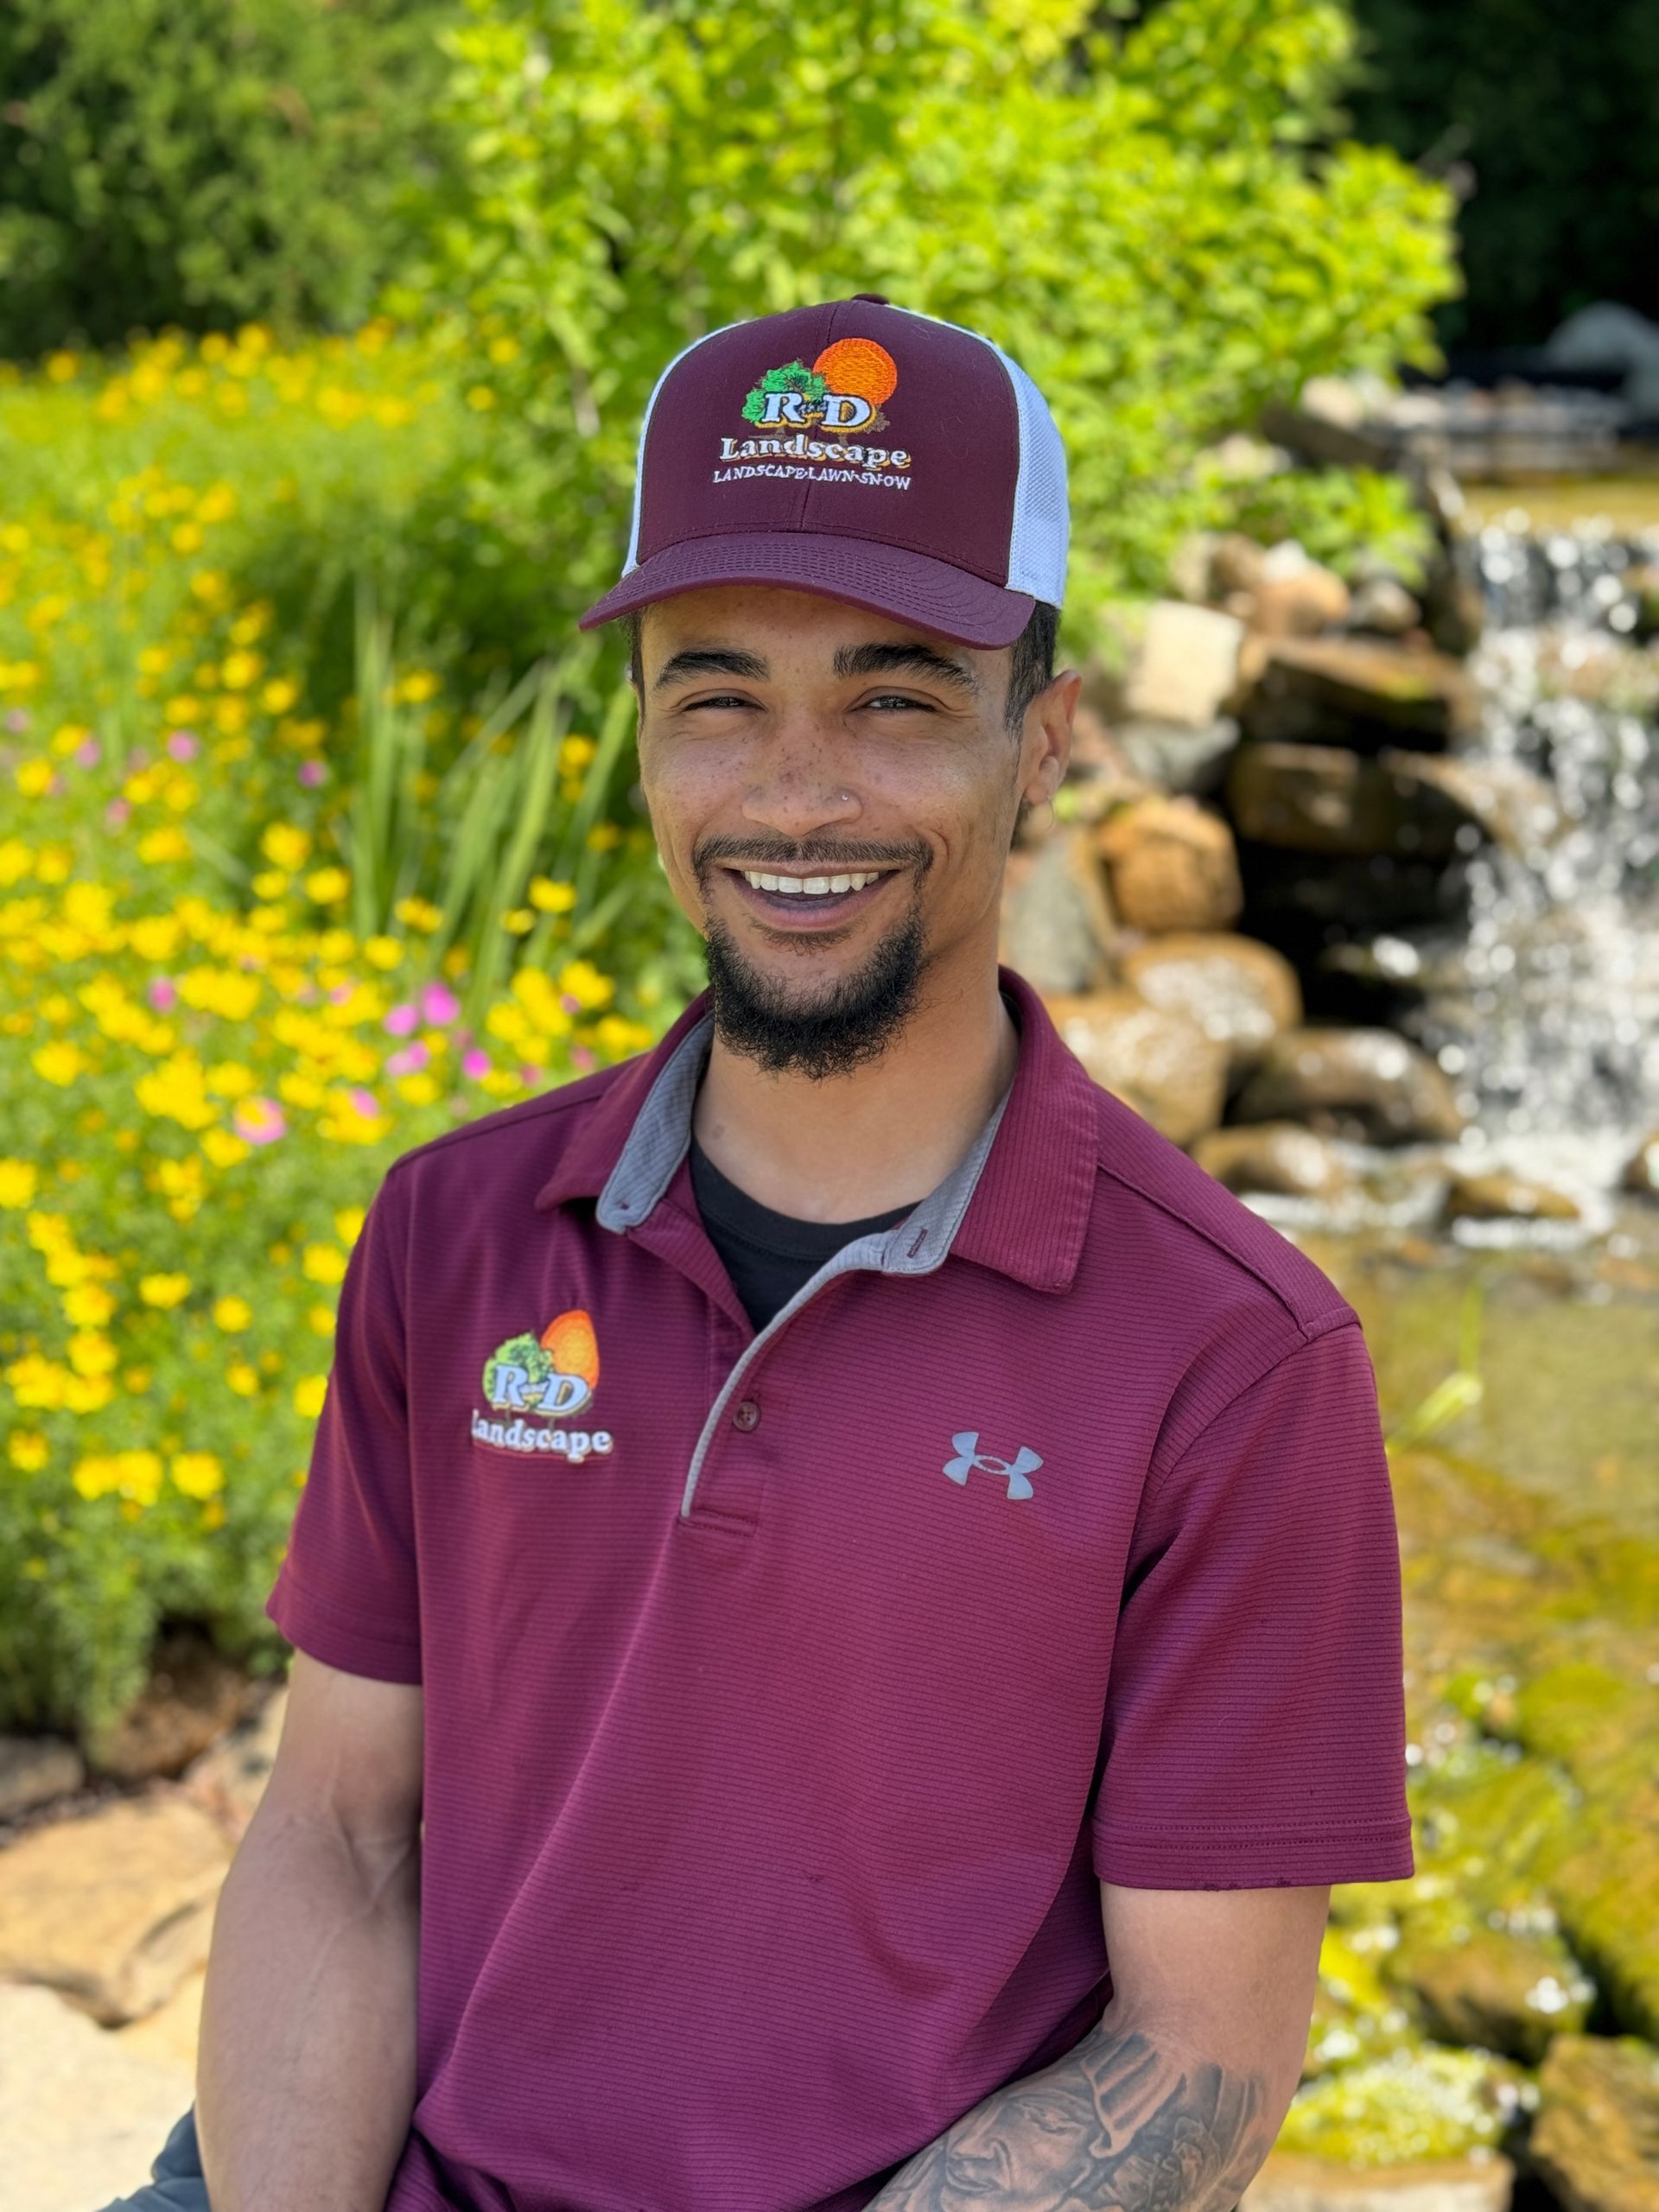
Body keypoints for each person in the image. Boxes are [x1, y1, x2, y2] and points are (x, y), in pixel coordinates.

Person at [103, 295, 1414, 2212]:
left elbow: (1196, 2042)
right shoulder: (455, 1233)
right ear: (642, 736)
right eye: (719, 694)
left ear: (1044, 739)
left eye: (893, 697)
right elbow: (344, 1829)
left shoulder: (1235, 1358)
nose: (794, 791)